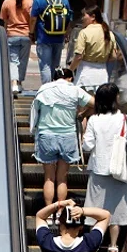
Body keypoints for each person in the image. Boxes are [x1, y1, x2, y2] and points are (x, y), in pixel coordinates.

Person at [82, 84, 127, 252]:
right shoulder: (124, 119)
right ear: (115, 99)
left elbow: (87, 146)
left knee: (94, 208)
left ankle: (94, 246)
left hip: (99, 170)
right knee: (116, 209)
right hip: (119, 169)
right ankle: (113, 247)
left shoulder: (94, 120)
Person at [30, 67, 93, 209]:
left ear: (54, 78)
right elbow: (96, 103)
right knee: (62, 178)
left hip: (46, 135)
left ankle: (48, 210)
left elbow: (36, 111)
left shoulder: (44, 89)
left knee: (49, 177)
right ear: (70, 78)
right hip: (68, 136)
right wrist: (83, 114)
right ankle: (60, 212)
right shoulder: (75, 90)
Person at [30, 0, 73, 85]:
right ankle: (55, 87)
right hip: (59, 37)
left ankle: (47, 89)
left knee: (45, 65)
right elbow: (69, 17)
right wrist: (66, 34)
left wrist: (31, 33)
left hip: (44, 37)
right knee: (55, 65)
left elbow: (33, 18)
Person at [68, 5, 117, 90]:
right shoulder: (109, 33)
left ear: (93, 17)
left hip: (86, 73)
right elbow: (113, 56)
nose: (82, 18)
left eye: (84, 15)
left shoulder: (84, 32)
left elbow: (79, 56)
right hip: (102, 74)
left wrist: (70, 70)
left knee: (83, 101)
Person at [0, 0, 32, 95]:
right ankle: (19, 83)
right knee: (23, 61)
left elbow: (3, 20)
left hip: (11, 35)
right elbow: (32, 19)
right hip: (26, 35)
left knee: (13, 61)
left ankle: (14, 83)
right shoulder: (30, 2)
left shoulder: (7, 2)